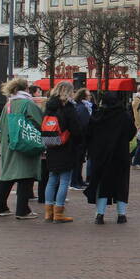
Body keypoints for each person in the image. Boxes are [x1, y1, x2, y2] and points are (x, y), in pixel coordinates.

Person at [0, 77, 43, 219]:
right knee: (26, 176)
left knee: (8, 176)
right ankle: (22, 210)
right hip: (25, 144)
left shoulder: (8, 104)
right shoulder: (27, 103)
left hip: (9, 145)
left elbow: (1, 125)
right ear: (26, 89)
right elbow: (40, 122)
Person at [84, 91, 134, 224]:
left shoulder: (98, 115)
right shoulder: (124, 115)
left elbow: (88, 133)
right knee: (121, 184)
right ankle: (121, 215)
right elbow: (131, 132)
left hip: (101, 155)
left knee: (102, 184)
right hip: (120, 154)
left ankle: (100, 214)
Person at [43, 81, 82, 222]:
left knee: (52, 179)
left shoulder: (49, 106)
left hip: (51, 144)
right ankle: (59, 212)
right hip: (66, 146)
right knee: (64, 180)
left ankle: (48, 212)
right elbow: (76, 130)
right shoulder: (69, 108)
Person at [71, 88, 92, 188]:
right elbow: (85, 124)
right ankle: (75, 181)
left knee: (79, 161)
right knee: (78, 161)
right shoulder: (83, 108)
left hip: (80, 139)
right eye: (88, 96)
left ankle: (78, 180)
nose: (90, 97)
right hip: (81, 139)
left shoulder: (80, 106)